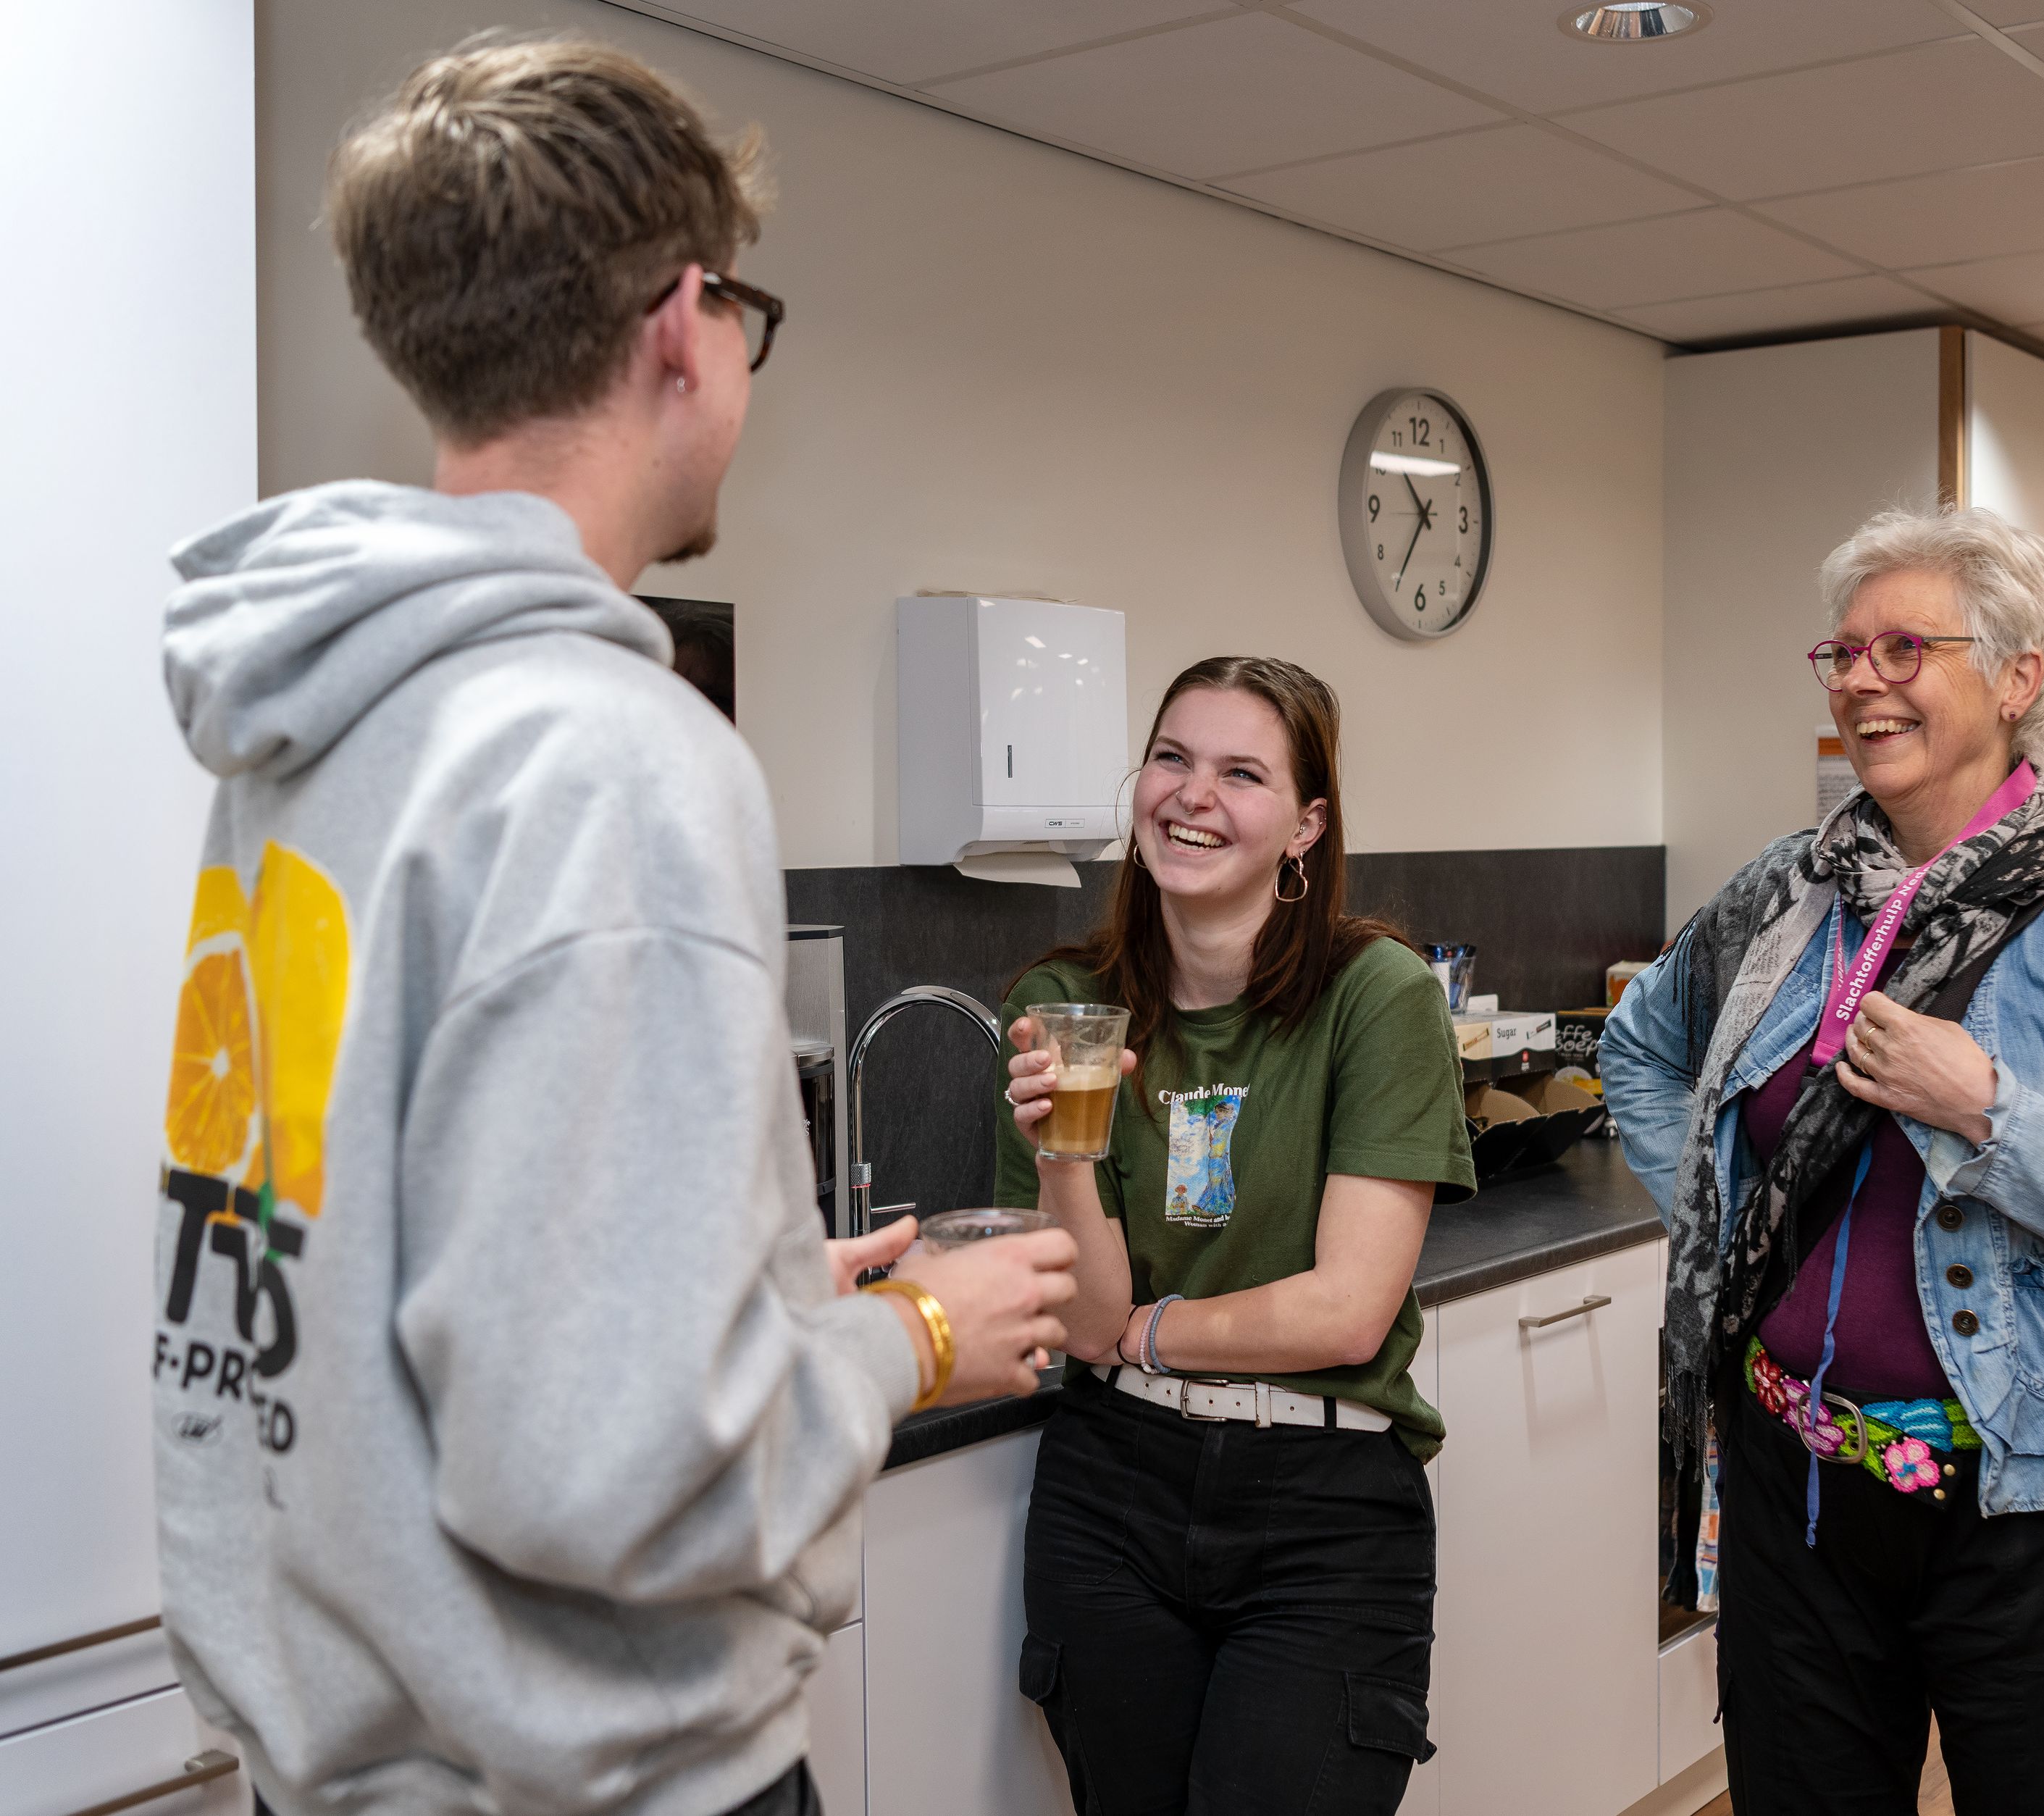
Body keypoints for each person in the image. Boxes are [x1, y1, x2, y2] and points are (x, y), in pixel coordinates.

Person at [151, 35, 1075, 1816]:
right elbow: (614, 1472)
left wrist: (738, 1305)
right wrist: (919, 1338)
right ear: (683, 321)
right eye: (749, 319)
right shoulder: (615, 756)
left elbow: (371, 1270)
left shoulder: (307, 733)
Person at [1601, 506, 2044, 1815]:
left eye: (1904, 648)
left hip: (2041, 1505)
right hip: (1797, 1499)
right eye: (1842, 653)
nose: (1860, 680)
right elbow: (1638, 1048)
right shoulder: (1782, 899)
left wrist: (1993, 1113)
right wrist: (1723, 1215)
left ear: (2019, 679)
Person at [994, 656, 1476, 1815]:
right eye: (1172, 758)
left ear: (1306, 826)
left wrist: (1150, 1334)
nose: (1192, 795)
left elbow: (1346, 1309)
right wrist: (1066, 1148)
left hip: (1325, 1504)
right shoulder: (1068, 999)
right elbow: (1086, 1318)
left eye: (1241, 774)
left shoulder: (1379, 994)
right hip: (1113, 1493)